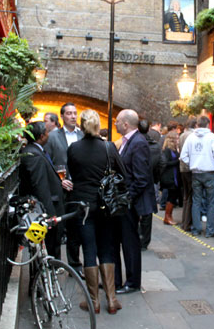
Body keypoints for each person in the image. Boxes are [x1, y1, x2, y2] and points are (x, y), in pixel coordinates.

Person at [67, 109, 124, 314]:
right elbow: (122, 172)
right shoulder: (109, 147)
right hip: (106, 205)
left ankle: (93, 301)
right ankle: (111, 299)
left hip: (82, 205)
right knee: (107, 249)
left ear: (81, 125)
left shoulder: (74, 148)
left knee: (89, 250)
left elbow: (72, 172)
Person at [113, 109, 156, 294]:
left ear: (125, 124)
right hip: (126, 201)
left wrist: (127, 197)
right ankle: (125, 279)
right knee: (126, 240)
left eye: (117, 121)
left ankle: (132, 282)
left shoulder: (138, 143)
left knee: (130, 243)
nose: (114, 124)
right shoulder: (128, 142)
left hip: (131, 203)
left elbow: (141, 177)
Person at [44, 103, 85, 278]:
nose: (73, 116)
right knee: (58, 227)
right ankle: (55, 263)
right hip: (60, 189)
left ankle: (75, 265)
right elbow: (47, 161)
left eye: (75, 113)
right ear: (62, 116)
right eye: (69, 113)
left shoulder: (82, 135)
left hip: (78, 188)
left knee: (75, 228)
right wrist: (59, 181)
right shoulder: (53, 137)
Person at [18, 121, 65, 259]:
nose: (48, 135)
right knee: (51, 245)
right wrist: (49, 215)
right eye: (46, 132)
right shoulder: (35, 155)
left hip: (49, 205)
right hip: (47, 208)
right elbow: (40, 185)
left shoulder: (35, 151)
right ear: (42, 136)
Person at [180, 115, 214, 238]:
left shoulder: (190, 138)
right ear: (208, 124)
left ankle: (196, 229)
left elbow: (183, 156)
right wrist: (211, 160)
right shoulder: (212, 137)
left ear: (197, 125)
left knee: (196, 201)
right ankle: (210, 230)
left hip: (195, 173)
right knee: (211, 202)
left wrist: (192, 163)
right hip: (209, 173)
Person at [137, 119, 161, 250]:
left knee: (135, 211)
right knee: (147, 212)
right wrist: (156, 179)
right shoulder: (156, 146)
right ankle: (145, 240)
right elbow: (160, 164)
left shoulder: (135, 143)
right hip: (150, 182)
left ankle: (136, 237)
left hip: (137, 181)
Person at [179, 117, 197, 231]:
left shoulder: (182, 135)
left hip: (182, 168)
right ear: (195, 125)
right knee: (191, 196)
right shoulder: (192, 136)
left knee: (186, 196)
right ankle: (187, 224)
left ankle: (184, 222)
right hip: (189, 168)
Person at [160, 131, 181, 225]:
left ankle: (169, 216)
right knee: (172, 196)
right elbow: (166, 163)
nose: (178, 140)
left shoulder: (174, 149)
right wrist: (178, 161)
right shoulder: (167, 150)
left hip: (174, 175)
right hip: (170, 176)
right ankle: (167, 217)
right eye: (177, 138)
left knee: (173, 196)